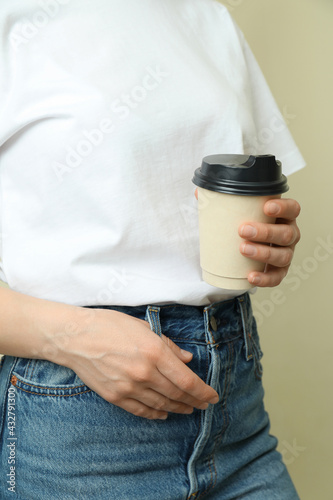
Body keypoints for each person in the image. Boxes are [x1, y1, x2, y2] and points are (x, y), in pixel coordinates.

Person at [0, 0, 304, 498]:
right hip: (83, 429)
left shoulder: (205, 13)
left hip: (237, 414)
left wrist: (270, 238)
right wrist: (73, 337)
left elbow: (241, 185)